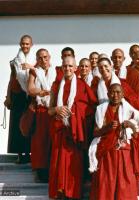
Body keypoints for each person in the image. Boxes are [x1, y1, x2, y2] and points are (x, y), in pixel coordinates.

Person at [48, 56, 97, 199]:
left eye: (70, 66)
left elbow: (92, 107)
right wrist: (57, 109)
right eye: (65, 66)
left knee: (73, 165)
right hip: (60, 131)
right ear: (61, 68)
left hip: (76, 132)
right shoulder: (56, 85)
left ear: (75, 68)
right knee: (59, 162)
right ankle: (60, 192)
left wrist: (77, 113)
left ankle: (73, 193)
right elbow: (49, 110)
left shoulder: (82, 85)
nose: (68, 69)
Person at [89, 83, 139, 200]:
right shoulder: (101, 109)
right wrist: (107, 128)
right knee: (106, 182)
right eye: (112, 92)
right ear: (108, 94)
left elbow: (136, 134)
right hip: (106, 152)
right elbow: (95, 132)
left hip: (123, 151)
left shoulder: (129, 110)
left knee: (125, 182)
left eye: (118, 92)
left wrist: (130, 124)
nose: (115, 95)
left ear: (123, 94)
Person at [4, 34, 35, 163]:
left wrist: (31, 67)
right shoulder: (15, 61)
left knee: (29, 123)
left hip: (30, 95)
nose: (25, 46)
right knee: (17, 124)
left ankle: (29, 153)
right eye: (23, 43)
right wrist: (8, 97)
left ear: (31, 45)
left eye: (27, 44)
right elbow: (11, 80)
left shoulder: (35, 60)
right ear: (20, 44)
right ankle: (20, 154)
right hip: (18, 95)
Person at [28, 48, 56, 182]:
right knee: (39, 141)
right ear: (36, 59)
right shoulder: (34, 71)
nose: (43, 60)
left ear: (49, 57)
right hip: (41, 110)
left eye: (45, 57)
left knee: (52, 140)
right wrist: (40, 92)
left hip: (53, 109)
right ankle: (40, 171)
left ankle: (52, 170)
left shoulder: (57, 71)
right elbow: (30, 88)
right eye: (40, 58)